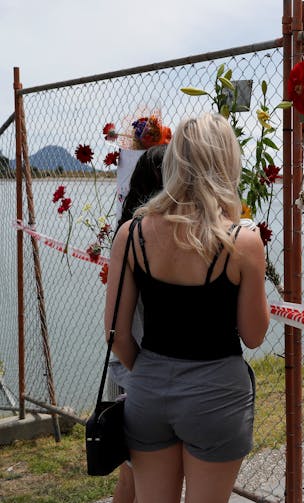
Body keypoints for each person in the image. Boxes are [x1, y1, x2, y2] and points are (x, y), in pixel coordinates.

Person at [105, 113, 269, 503]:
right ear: (228, 163)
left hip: (147, 392)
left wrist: (149, 371)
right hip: (217, 395)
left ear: (174, 160)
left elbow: (116, 334)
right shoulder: (242, 242)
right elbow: (255, 334)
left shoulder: (131, 234)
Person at [107, 144, 166, 503]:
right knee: (141, 482)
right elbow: (119, 332)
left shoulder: (127, 235)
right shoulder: (142, 237)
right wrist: (146, 372)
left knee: (131, 479)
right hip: (139, 372)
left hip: (131, 371)